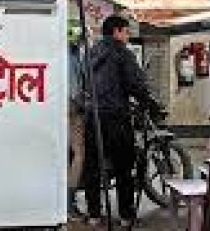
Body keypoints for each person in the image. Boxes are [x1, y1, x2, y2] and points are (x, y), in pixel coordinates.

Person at [84, 15, 163, 229]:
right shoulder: (122, 52)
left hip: (92, 116)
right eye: (127, 32)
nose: (128, 36)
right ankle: (126, 215)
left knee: (93, 167)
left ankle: (94, 215)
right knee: (123, 167)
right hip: (116, 117)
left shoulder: (92, 52)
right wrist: (150, 103)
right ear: (117, 31)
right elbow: (135, 83)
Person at [67, 42, 85, 220]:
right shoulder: (71, 57)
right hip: (71, 110)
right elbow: (74, 92)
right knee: (79, 154)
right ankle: (69, 203)